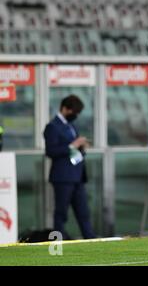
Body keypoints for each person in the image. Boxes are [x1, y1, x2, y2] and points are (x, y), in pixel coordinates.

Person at [43, 95, 96, 239]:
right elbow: (50, 151)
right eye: (74, 112)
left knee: (84, 213)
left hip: (78, 177)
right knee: (61, 214)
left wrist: (82, 148)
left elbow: (74, 150)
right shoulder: (52, 127)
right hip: (63, 178)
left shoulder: (71, 126)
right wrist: (72, 145)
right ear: (65, 109)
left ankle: (92, 242)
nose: (76, 116)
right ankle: (57, 243)